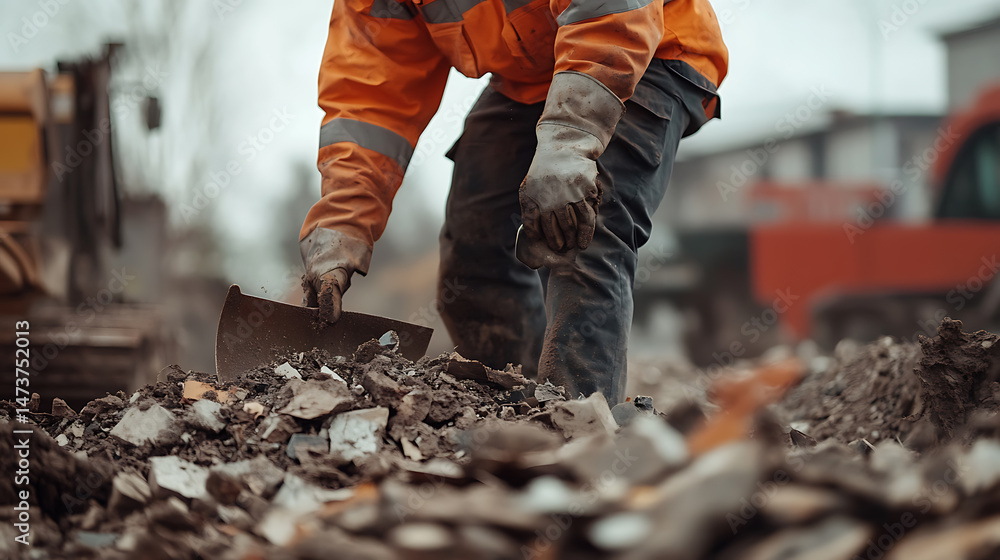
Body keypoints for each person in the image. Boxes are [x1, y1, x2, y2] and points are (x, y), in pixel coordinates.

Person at [300, 0, 728, 405]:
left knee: (580, 226)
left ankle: (580, 430)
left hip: (649, 44)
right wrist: (343, 222)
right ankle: (514, 411)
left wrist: (569, 141)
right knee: (476, 254)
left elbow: (610, 12)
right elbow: (370, 96)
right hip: (532, 78)